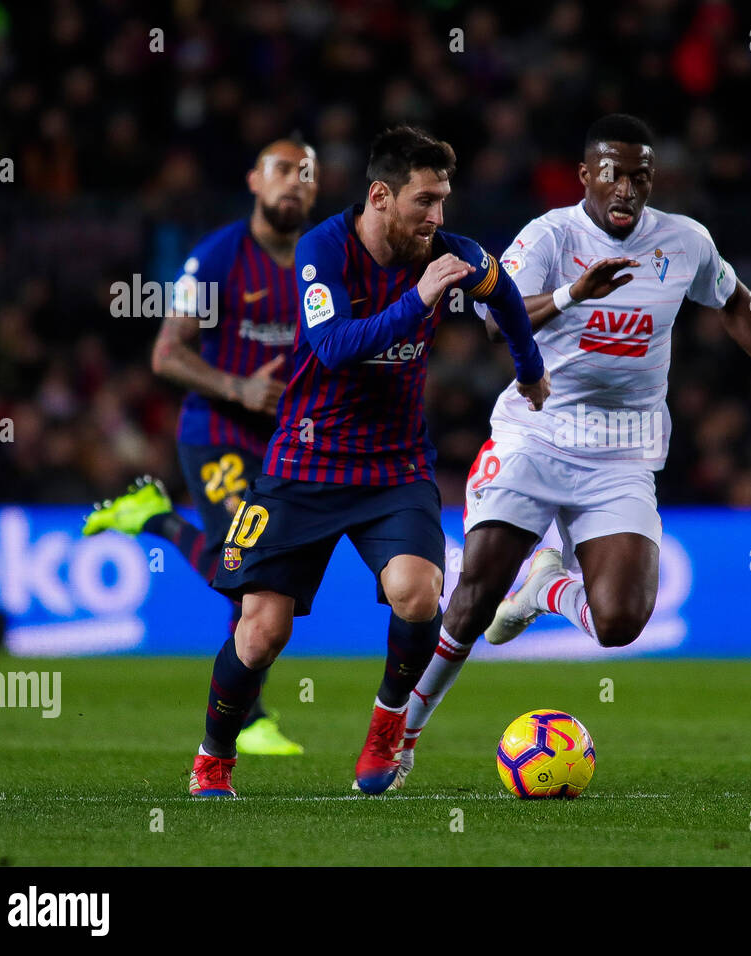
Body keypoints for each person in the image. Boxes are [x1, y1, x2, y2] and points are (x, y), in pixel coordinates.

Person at [394, 114, 751, 788]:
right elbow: (488, 317)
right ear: (585, 176)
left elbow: (738, 303)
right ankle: (404, 735)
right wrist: (573, 292)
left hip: (624, 452)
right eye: (612, 173)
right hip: (536, 431)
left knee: (620, 622)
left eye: (640, 175)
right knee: (475, 594)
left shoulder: (684, 242)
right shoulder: (550, 236)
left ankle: (549, 588)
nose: (626, 187)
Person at [186, 125, 549, 797]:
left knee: (419, 593)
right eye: (425, 201)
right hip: (303, 463)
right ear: (381, 195)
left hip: (395, 468)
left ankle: (387, 726)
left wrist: (530, 370)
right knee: (261, 632)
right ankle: (213, 757)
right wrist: (419, 300)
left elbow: (503, 295)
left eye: (443, 201)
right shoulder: (322, 248)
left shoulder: (451, 253)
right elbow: (331, 347)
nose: (437, 218)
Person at [83, 138, 319, 755]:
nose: (293, 182)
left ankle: (153, 516)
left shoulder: (324, 262)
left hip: (287, 443)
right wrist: (236, 386)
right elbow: (166, 352)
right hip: (218, 434)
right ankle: (254, 717)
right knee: (250, 571)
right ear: (253, 180)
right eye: (281, 170)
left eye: (306, 174)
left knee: (256, 580)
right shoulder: (217, 258)